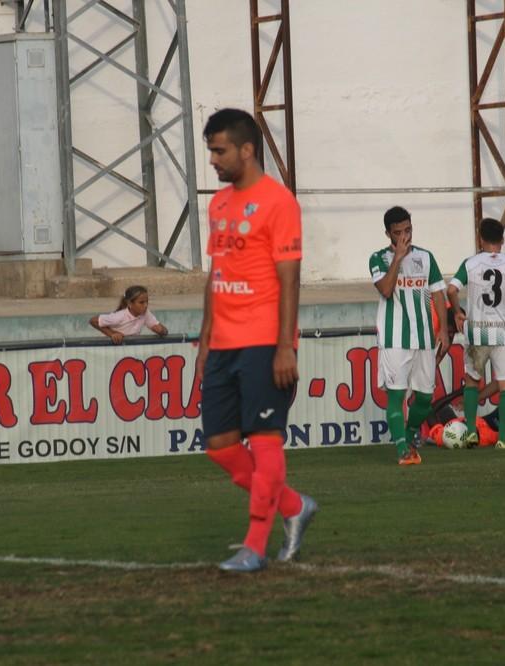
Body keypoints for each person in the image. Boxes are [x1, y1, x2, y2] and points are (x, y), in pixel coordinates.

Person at [196, 108, 317, 574]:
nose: (213, 160)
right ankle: (293, 506)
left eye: (219, 150)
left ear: (247, 149)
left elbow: (291, 279)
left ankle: (255, 546)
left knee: (266, 442)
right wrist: (205, 339)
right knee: (221, 445)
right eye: (211, 150)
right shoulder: (219, 204)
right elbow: (216, 273)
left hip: (266, 341)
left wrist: (286, 344)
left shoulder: (278, 202)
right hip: (224, 343)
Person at [447, 217, 505, 449]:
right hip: (504, 332)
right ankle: (503, 439)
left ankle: (470, 433)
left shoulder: (471, 263)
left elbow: (451, 289)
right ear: (503, 239)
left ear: (480, 238)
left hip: (478, 331)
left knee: (472, 381)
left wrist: (458, 312)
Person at [369, 206, 450, 466]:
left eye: (408, 230)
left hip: (425, 337)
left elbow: (438, 293)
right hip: (395, 339)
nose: (404, 236)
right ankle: (403, 449)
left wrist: (445, 331)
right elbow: (386, 289)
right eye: (398, 232)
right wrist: (398, 258)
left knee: (425, 397)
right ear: (387, 234)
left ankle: (410, 432)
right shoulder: (378, 258)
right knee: (396, 395)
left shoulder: (426, 257)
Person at [90, 285, 168, 343]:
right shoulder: (120, 316)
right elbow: (93, 321)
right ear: (130, 303)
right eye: (141, 302)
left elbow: (164, 330)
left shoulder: (146, 313)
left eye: (147, 302)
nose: (145, 305)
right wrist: (112, 334)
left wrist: (161, 331)